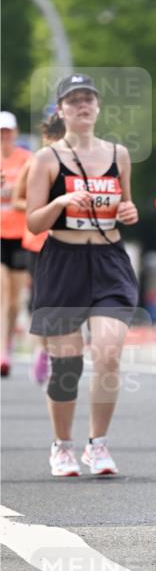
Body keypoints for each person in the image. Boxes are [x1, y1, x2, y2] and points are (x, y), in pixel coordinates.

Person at [26, 74, 139, 477]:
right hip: (63, 262)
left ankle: (99, 445)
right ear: (61, 110)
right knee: (67, 366)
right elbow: (34, 224)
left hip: (109, 261)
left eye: (88, 99)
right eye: (73, 101)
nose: (82, 106)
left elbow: (126, 207)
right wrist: (61, 199)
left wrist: (130, 211)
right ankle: (62, 446)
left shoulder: (119, 154)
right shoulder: (45, 160)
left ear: (99, 106)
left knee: (109, 352)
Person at [12, 150, 49, 384]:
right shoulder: (34, 162)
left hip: (69, 243)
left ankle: (56, 349)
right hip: (37, 242)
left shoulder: (81, 162)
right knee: (41, 299)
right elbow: (17, 200)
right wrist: (45, 207)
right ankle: (42, 350)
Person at [0, 111, 31, 376]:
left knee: (15, 300)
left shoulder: (27, 160)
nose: (4, 136)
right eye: (0, 132)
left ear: (16, 133)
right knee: (3, 292)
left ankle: (7, 345)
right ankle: (1, 351)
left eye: (7, 131)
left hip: (20, 235)